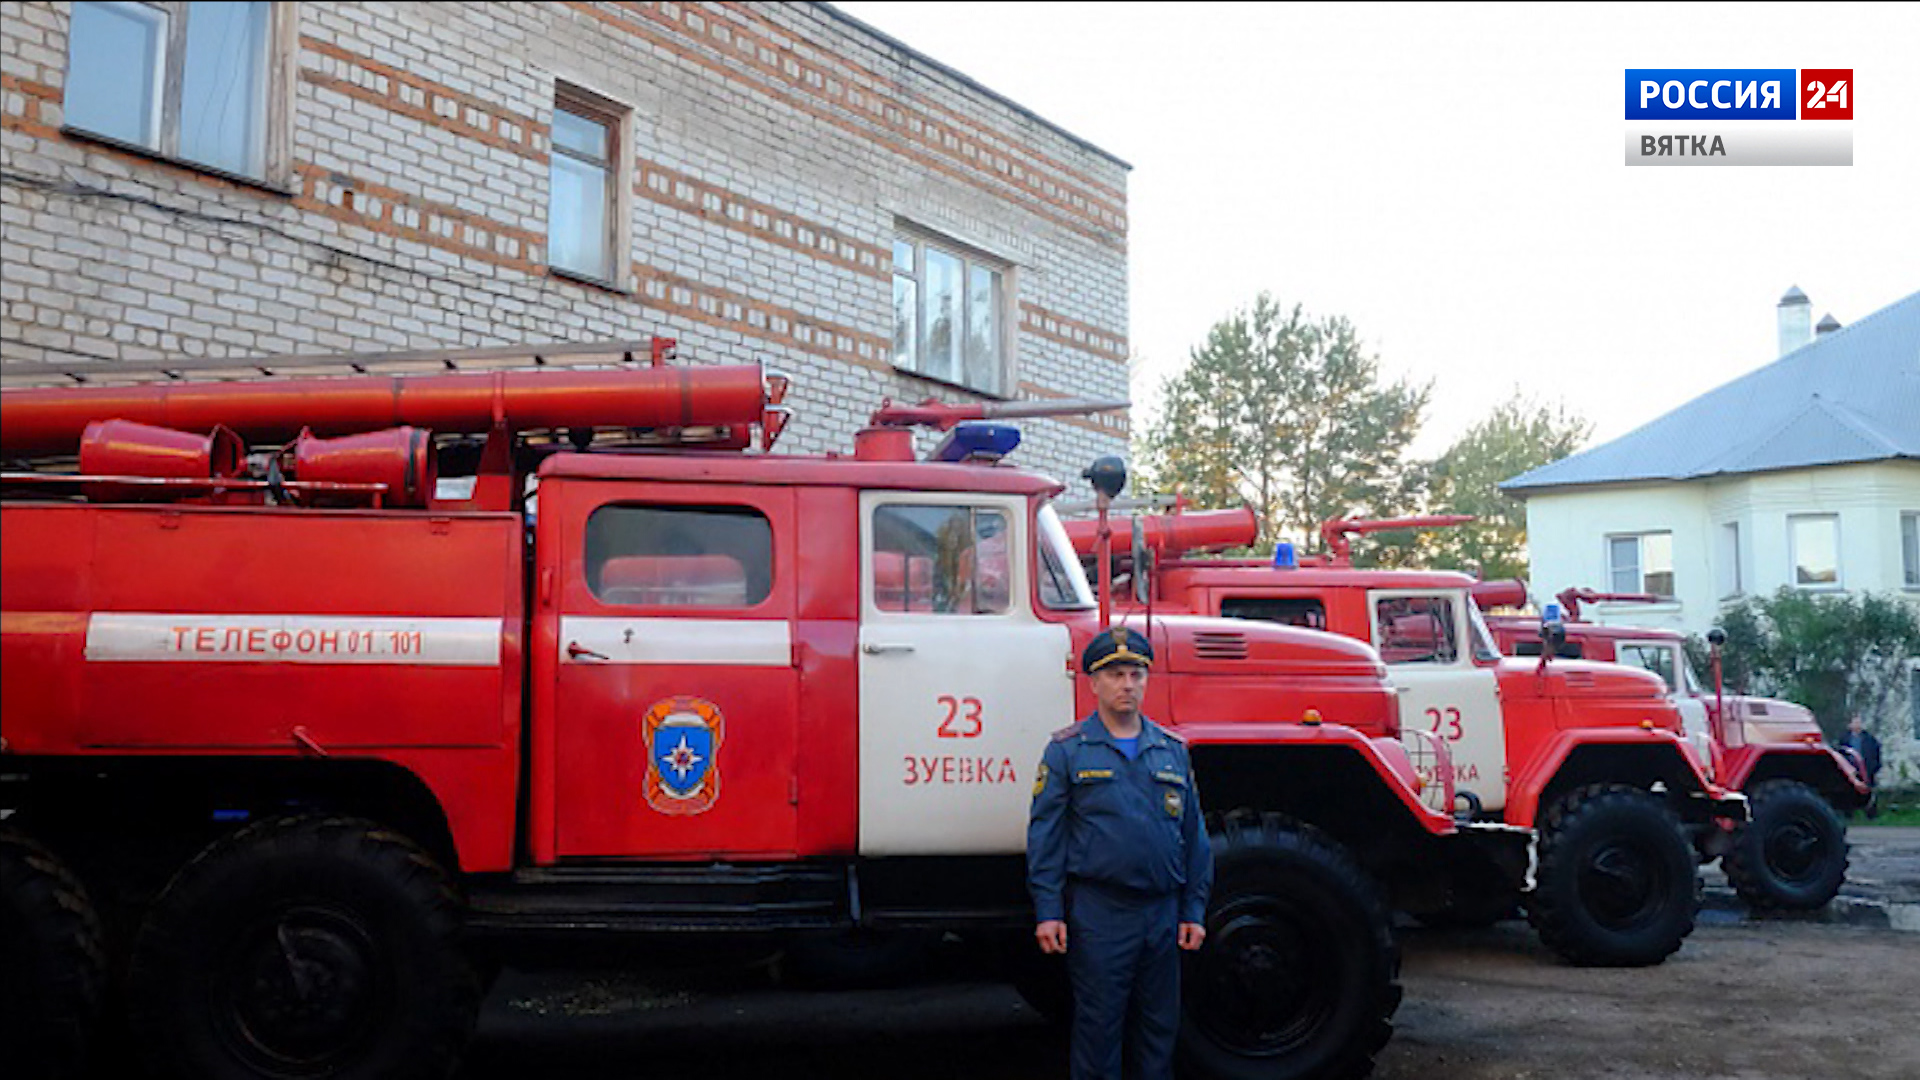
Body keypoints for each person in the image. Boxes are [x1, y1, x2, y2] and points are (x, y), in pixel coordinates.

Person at [1027, 626, 1213, 1080]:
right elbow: (1046, 838)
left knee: (1159, 1032)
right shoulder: (1067, 751)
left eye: (1135, 674)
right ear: (1094, 683)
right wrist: (1049, 911)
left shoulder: (1171, 751)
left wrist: (1193, 909)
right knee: (1099, 1031)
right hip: (1101, 912)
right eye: (1115, 675)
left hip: (1162, 912)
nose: (1127, 685)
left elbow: (1195, 836)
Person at [1842, 715, 1883, 807]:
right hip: (1850, 772)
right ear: (1850, 724)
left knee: (1869, 795)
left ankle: (1870, 811)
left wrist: (1873, 768)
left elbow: (1876, 755)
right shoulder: (1844, 739)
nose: (1857, 725)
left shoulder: (1870, 739)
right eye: (1855, 722)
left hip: (1866, 771)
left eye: (1859, 723)